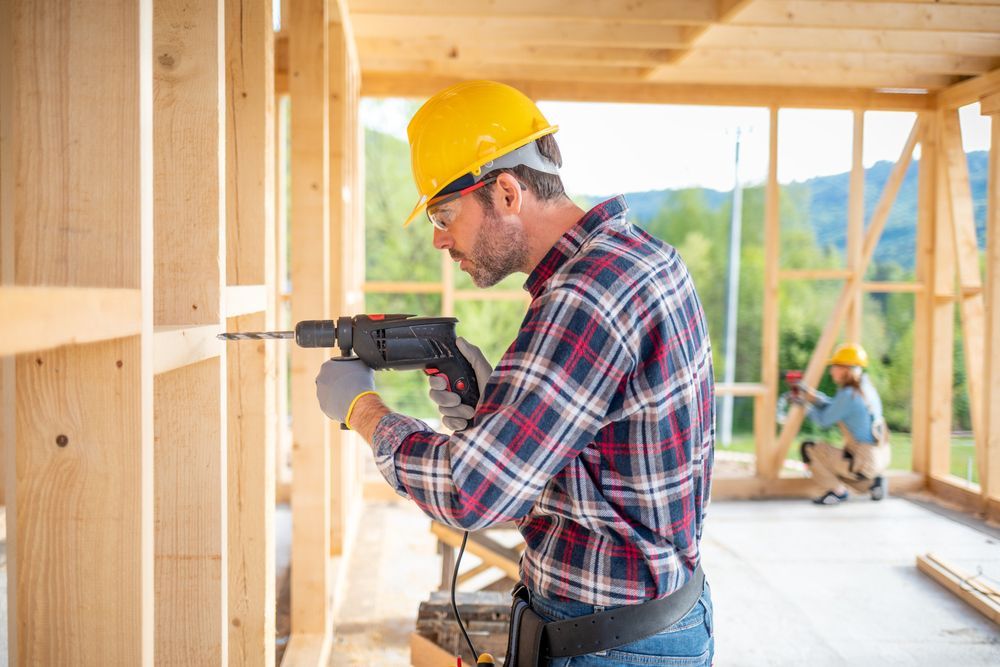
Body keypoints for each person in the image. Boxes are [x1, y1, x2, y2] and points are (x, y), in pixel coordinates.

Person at [315, 81, 715, 666]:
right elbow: (602, 456)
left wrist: (364, 412)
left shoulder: (586, 294)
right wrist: (494, 418)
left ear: (506, 191)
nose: (438, 237)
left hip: (609, 644)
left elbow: (473, 493)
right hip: (647, 621)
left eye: (444, 213)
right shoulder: (639, 258)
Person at [795, 342, 891, 506]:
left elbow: (824, 420)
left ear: (847, 369)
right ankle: (873, 484)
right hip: (878, 456)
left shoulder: (848, 394)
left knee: (808, 449)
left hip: (861, 461)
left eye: (835, 366)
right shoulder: (865, 388)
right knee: (839, 465)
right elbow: (836, 406)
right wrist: (813, 397)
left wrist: (803, 405)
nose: (832, 370)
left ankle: (837, 492)